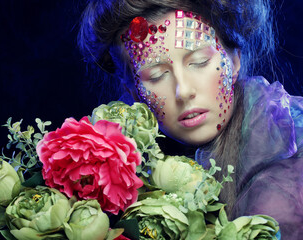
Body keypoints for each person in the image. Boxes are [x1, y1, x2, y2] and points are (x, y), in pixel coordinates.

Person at [78, 0, 303, 238]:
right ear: (133, 90)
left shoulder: (288, 169)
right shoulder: (127, 169)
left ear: (234, 58)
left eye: (199, 62)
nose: (183, 91)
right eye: (156, 76)